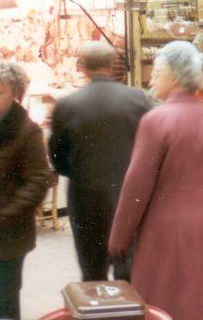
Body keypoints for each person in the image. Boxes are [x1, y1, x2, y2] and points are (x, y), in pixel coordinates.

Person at [108, 41, 203, 320]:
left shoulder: (157, 120)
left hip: (169, 222)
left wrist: (119, 237)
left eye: (157, 71)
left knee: (171, 297)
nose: (152, 78)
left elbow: (136, 187)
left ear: (174, 76)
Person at [49, 41, 151, 281]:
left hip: (85, 195)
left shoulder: (66, 104)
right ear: (112, 65)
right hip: (129, 194)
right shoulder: (138, 99)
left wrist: (77, 170)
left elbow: (57, 157)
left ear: (81, 66)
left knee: (92, 269)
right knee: (129, 269)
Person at [0, 62, 50, 320]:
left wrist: (4, 215)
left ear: (15, 93)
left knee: (4, 301)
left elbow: (39, 182)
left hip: (7, 238)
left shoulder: (26, 131)